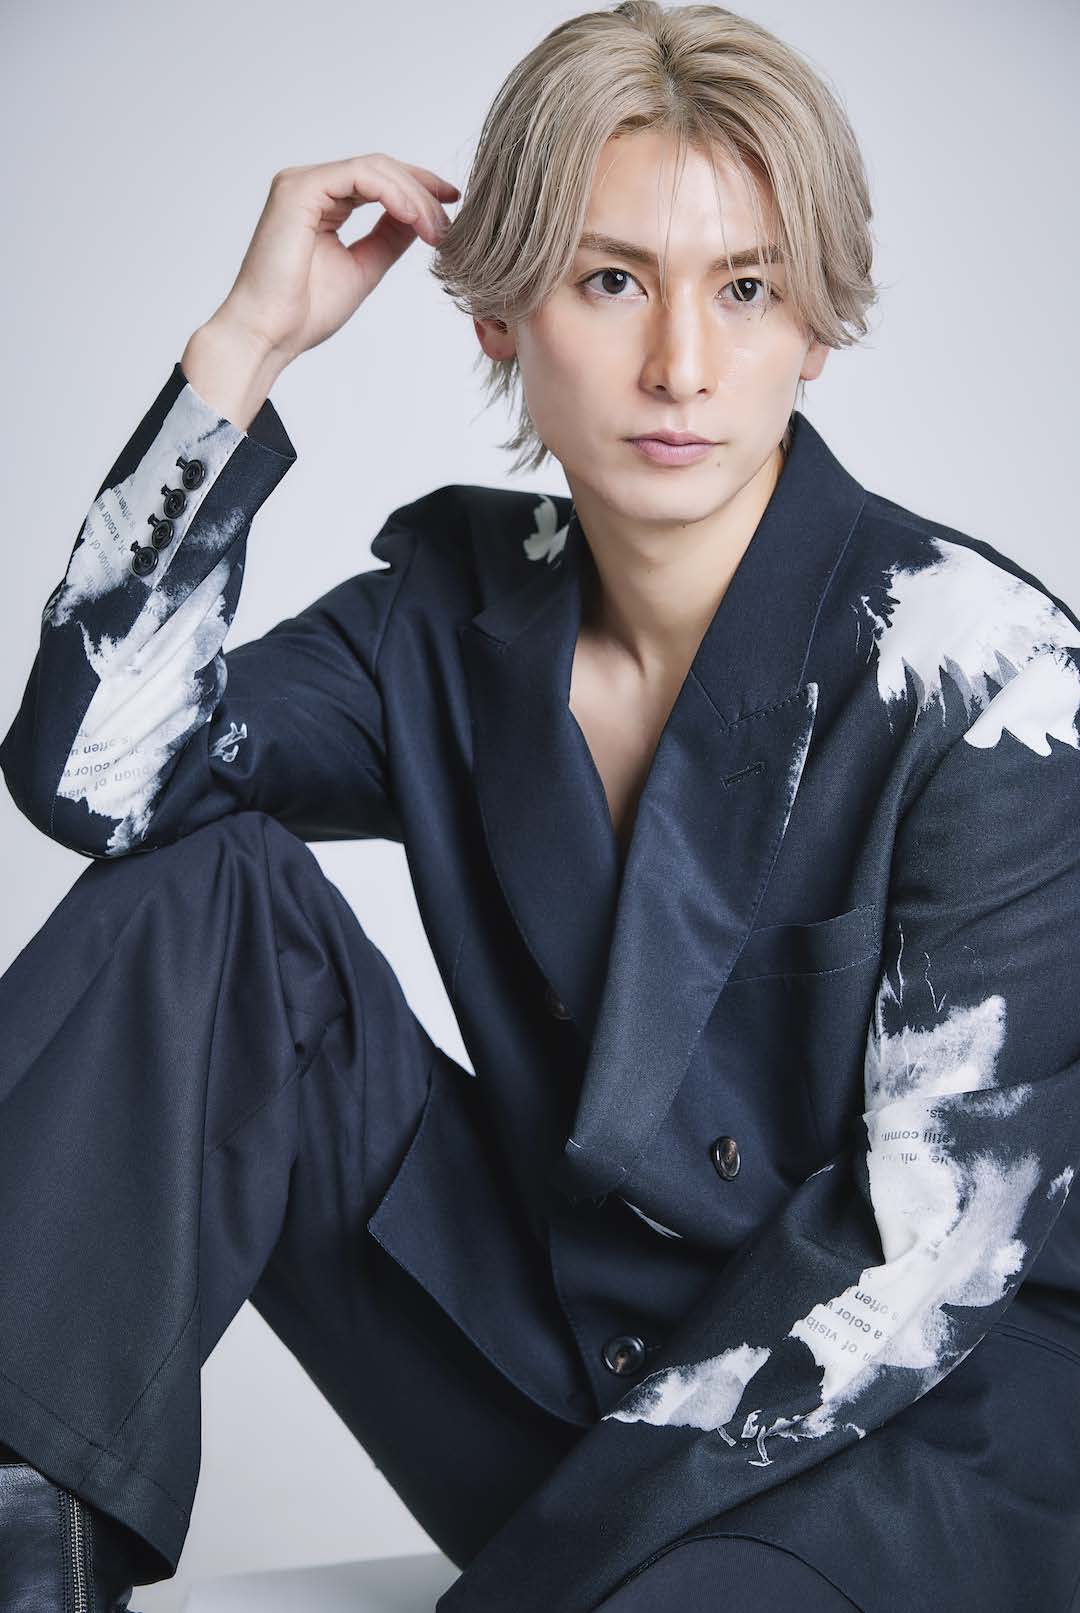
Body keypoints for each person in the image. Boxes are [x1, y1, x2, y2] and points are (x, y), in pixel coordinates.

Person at [3, 3, 1080, 1610]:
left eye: (745, 288)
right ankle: (23, 1536)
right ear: (503, 314)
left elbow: (928, 1262)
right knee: (197, 893)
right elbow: (97, 776)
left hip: (894, 1447)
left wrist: (532, 1586)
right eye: (610, 280)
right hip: (565, 1368)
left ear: (814, 328)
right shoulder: (452, 613)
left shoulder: (982, 669)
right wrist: (247, 343)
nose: (681, 365)